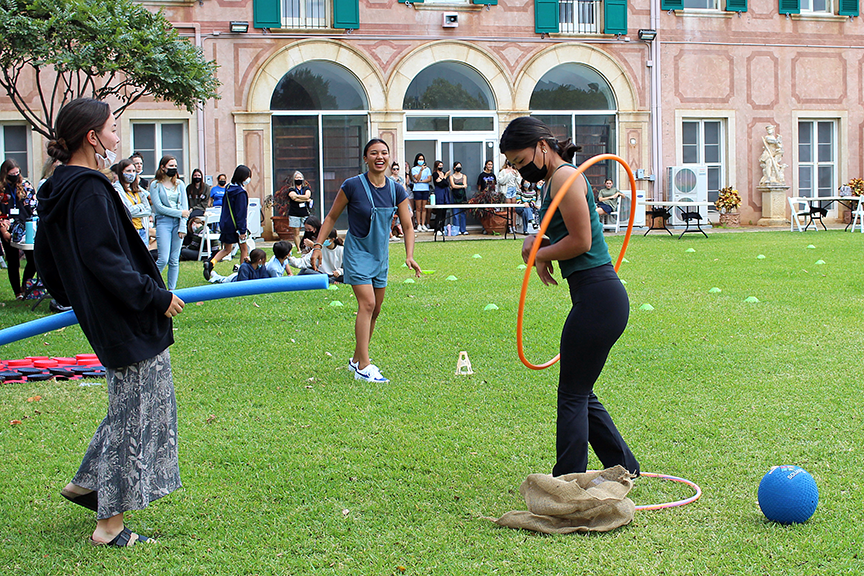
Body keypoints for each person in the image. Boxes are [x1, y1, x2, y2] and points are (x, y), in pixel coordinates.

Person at [35, 97, 184, 547]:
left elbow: (47, 261)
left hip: (107, 317)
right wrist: (154, 297)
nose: (118, 137)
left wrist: (74, 297)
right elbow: (106, 258)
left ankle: (87, 483)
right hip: (127, 317)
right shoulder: (89, 188)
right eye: (113, 128)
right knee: (138, 416)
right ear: (92, 136)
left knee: (131, 406)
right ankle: (109, 526)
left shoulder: (59, 187)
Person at [500, 116, 639, 478]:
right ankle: (625, 466)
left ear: (542, 147)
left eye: (521, 161)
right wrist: (539, 244)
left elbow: (581, 241)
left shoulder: (564, 177)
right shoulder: (552, 182)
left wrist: (539, 254)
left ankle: (568, 481)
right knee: (581, 390)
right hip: (594, 297)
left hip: (599, 296)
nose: (520, 169)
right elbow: (563, 234)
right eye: (514, 166)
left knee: (573, 394)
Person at [312, 138, 421, 383]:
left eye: (384, 152)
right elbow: (330, 218)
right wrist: (317, 246)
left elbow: (407, 225)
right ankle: (364, 365)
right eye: (373, 153)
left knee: (376, 310)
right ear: (365, 158)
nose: (379, 157)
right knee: (368, 304)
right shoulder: (352, 186)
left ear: (389, 157)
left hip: (380, 256)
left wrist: (409, 255)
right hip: (357, 254)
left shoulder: (396, 190)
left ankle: (355, 359)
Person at [203, 165, 251, 280]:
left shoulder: (228, 188)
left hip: (226, 224)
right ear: (243, 177)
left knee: (226, 249)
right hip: (236, 227)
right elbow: (241, 213)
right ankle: (242, 272)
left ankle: (211, 263)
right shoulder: (241, 193)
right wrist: (242, 230)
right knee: (244, 249)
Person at [149, 156, 189, 290]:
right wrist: (180, 213)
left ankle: (172, 290)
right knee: (163, 258)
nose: (174, 169)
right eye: (170, 166)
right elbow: (159, 208)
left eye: (175, 166)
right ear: (163, 167)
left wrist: (183, 225)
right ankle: (150, 282)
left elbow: (185, 207)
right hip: (163, 223)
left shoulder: (180, 184)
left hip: (178, 224)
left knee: (174, 260)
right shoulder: (155, 185)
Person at [0, 158, 37, 299]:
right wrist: (3, 230)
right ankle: (17, 292)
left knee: (32, 259)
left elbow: (33, 206)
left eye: (17, 172)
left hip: (25, 225)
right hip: (6, 225)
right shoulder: (1, 188)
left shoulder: (25, 185)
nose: (15, 175)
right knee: (13, 260)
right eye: (12, 173)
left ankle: (25, 285)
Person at [112, 159, 151, 245]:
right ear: (121, 172)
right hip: (129, 230)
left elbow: (148, 210)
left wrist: (136, 209)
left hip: (142, 228)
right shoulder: (117, 189)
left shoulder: (137, 189)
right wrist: (141, 207)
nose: (131, 174)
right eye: (128, 171)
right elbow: (127, 211)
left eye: (133, 171)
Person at [286, 171, 312, 252]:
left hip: (305, 213)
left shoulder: (306, 188)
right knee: (296, 232)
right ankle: (298, 249)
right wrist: (304, 198)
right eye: (297, 178)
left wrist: (299, 197)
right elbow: (293, 197)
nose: (299, 179)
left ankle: (307, 246)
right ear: (294, 179)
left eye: (300, 178)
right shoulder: (291, 189)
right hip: (294, 213)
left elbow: (308, 195)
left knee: (308, 231)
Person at [498, 161, 522, 234]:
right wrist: (508, 174)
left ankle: (514, 225)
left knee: (513, 209)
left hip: (514, 189)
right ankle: (509, 226)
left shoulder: (515, 171)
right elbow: (500, 181)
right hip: (507, 190)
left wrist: (516, 175)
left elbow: (519, 181)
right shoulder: (503, 171)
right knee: (508, 209)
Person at [410, 153, 432, 231]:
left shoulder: (428, 169)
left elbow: (429, 179)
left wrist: (420, 181)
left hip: (425, 189)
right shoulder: (414, 169)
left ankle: (423, 224)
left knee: (424, 208)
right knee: (418, 208)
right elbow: (417, 177)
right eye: (419, 159)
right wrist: (421, 171)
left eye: (422, 159)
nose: (421, 161)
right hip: (417, 190)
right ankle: (418, 224)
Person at [448, 161, 469, 235]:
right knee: (455, 213)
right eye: (457, 166)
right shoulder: (451, 176)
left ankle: (463, 229)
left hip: (462, 196)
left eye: (460, 166)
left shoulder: (464, 176)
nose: (459, 168)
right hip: (454, 196)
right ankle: (456, 229)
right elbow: (453, 186)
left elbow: (465, 185)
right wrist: (461, 186)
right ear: (454, 168)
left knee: (463, 213)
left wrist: (458, 186)